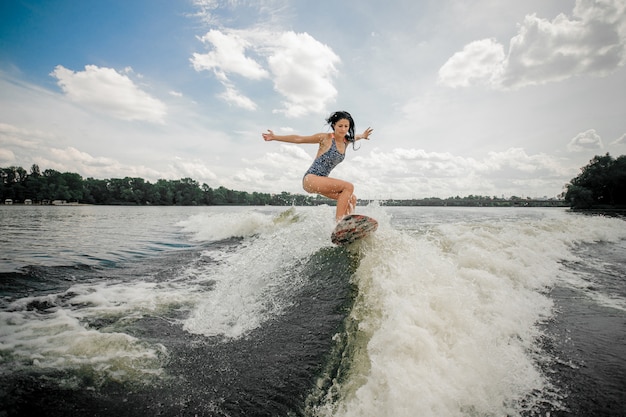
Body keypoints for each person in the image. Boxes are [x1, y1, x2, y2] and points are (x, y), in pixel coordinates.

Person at [262, 111, 373, 222]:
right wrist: (275, 137)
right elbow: (299, 139)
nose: (343, 129)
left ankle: (349, 226)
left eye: (346, 126)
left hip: (322, 181)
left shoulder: (346, 141)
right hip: (311, 178)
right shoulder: (325, 138)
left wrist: (363, 136)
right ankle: (339, 223)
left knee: (352, 198)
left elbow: (356, 137)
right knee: (348, 187)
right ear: (334, 125)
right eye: (340, 126)